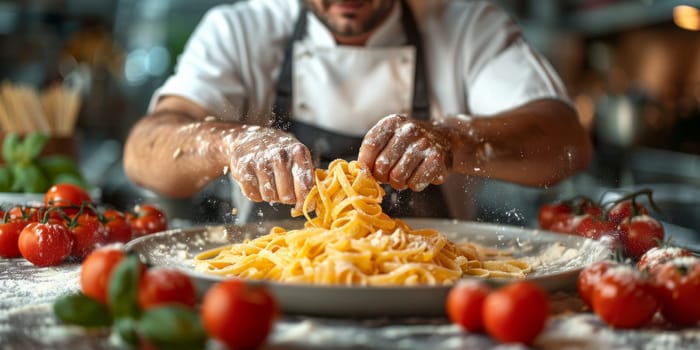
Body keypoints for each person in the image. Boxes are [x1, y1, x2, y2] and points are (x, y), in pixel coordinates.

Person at [123, 0, 592, 222]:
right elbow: (146, 148)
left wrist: (451, 140)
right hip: (268, 297)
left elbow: (566, 141)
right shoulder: (239, 28)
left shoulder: (468, 25)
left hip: (430, 297)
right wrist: (230, 142)